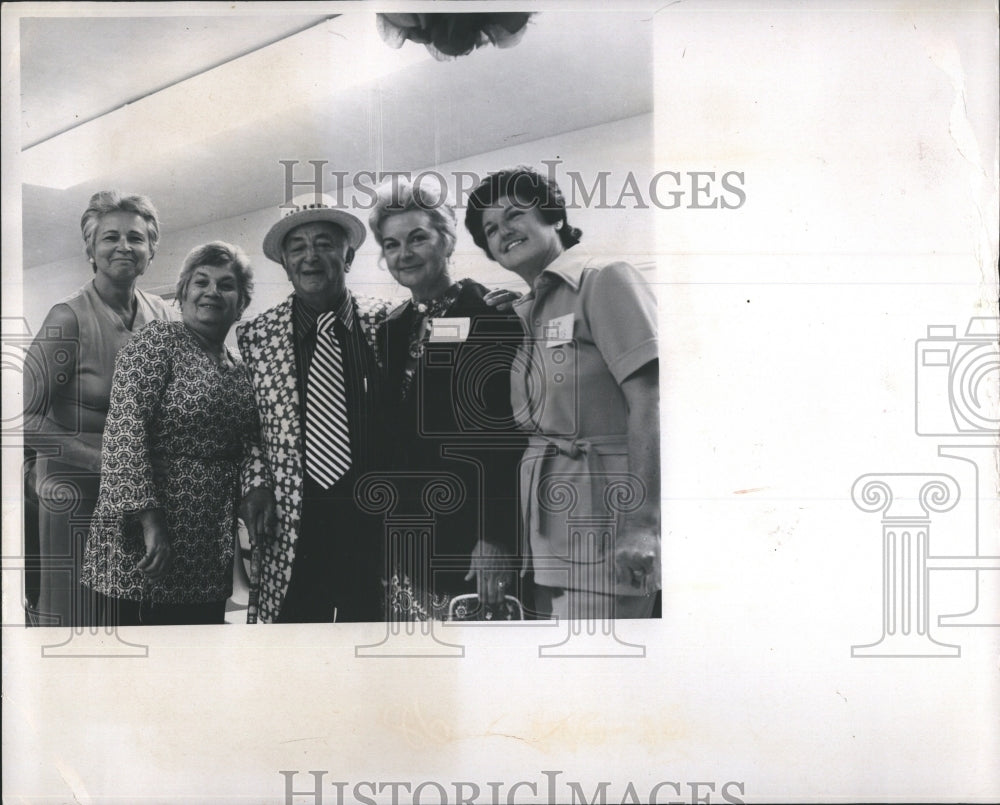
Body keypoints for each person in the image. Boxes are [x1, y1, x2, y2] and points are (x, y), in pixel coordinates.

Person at [465, 166, 661, 620]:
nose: (503, 231)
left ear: (552, 216)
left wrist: (643, 526)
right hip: (545, 531)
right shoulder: (530, 307)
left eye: (515, 214)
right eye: (490, 229)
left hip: (606, 525)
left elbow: (650, 403)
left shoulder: (604, 278)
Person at [369, 178, 526, 620]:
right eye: (392, 243)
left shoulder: (490, 315)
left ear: (448, 240)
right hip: (403, 540)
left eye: (418, 237)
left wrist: (496, 537)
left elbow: (506, 438)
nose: (405, 253)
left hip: (470, 541)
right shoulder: (391, 329)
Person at [80, 242, 259, 625]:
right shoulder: (157, 342)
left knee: (195, 661)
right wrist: (150, 520)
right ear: (182, 293)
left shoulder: (242, 368)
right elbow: (124, 433)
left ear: (241, 303)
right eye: (201, 282)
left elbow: (249, 445)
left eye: (226, 285)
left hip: (207, 546)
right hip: (143, 539)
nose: (212, 291)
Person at [23, 190, 174, 627]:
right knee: (77, 620)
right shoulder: (66, 318)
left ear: (151, 249)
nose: (124, 247)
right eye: (110, 237)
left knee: (132, 623)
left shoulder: (162, 314)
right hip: (76, 495)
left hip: (139, 497)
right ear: (91, 249)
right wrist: (104, 460)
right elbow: (22, 418)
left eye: (136, 238)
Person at [237, 194, 391, 623]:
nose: (310, 257)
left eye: (324, 243)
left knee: (372, 642)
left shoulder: (388, 323)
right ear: (284, 263)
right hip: (291, 524)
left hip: (372, 523)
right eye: (297, 247)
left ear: (349, 255)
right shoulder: (256, 337)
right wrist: (255, 483)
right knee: (293, 652)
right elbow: (247, 430)